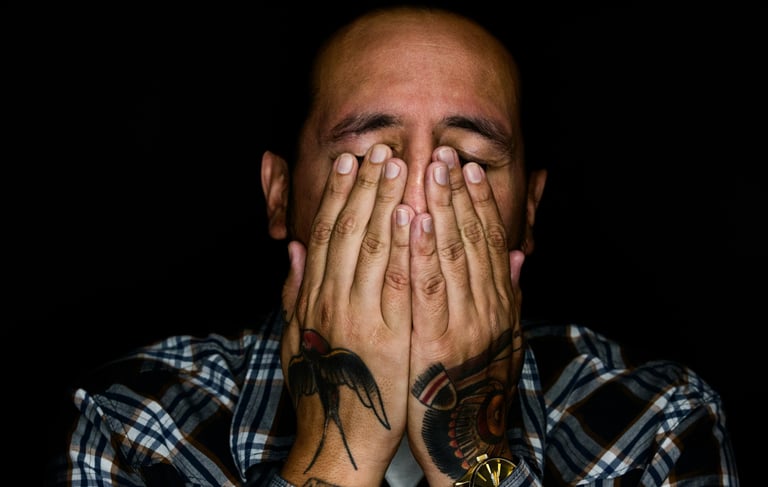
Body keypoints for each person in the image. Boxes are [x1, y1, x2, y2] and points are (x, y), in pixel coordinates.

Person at [47, 5, 740, 486]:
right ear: (280, 195)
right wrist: (334, 453)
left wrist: (473, 454)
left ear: (528, 211)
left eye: (468, 162)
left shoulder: (657, 422)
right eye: (370, 158)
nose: (416, 205)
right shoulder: (134, 421)